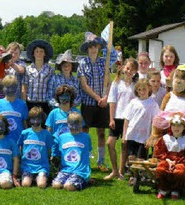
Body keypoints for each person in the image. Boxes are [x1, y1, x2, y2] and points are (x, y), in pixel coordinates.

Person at [77, 32, 109, 171]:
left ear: (99, 48)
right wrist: (98, 98)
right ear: (87, 49)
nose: (93, 49)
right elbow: (84, 85)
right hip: (88, 103)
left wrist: (106, 98)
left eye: (95, 46)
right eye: (90, 47)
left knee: (101, 132)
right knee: (85, 131)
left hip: (103, 103)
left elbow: (108, 82)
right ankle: (84, 158)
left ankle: (101, 160)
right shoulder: (82, 63)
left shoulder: (104, 62)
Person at [153, 111, 185, 199]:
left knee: (179, 172)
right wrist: (169, 161)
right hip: (166, 160)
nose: (176, 128)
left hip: (181, 161)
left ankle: (176, 190)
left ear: (184, 127)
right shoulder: (165, 139)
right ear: (170, 127)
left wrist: (176, 162)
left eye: (179, 126)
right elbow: (159, 152)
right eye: (173, 125)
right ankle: (163, 189)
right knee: (161, 169)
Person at [122, 79, 159, 184]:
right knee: (131, 157)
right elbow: (127, 119)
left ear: (149, 89)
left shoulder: (153, 104)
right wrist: (124, 134)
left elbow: (155, 121)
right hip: (132, 134)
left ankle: (140, 175)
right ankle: (132, 175)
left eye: (144, 89)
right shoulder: (133, 102)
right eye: (139, 90)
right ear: (136, 91)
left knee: (140, 158)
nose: (142, 92)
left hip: (144, 137)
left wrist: (152, 136)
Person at [104, 58, 137, 180]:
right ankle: (114, 170)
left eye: (132, 69)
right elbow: (112, 102)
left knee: (124, 145)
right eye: (127, 68)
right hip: (116, 118)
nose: (129, 71)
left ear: (135, 72)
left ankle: (121, 171)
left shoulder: (135, 86)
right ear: (123, 68)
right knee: (110, 143)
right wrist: (111, 119)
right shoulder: (116, 83)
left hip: (128, 120)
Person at [52, 112, 92, 191]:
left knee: (68, 186)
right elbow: (56, 150)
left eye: (77, 125)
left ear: (81, 124)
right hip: (66, 169)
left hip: (80, 171)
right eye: (72, 125)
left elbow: (88, 152)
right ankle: (71, 179)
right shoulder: (62, 137)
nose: (74, 128)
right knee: (56, 185)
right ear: (68, 124)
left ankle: (85, 180)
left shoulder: (86, 137)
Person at [18, 107, 53, 188]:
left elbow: (49, 150)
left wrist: (47, 159)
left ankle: (40, 177)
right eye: (33, 119)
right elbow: (20, 148)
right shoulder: (25, 133)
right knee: (25, 184)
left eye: (38, 119)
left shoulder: (46, 134)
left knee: (41, 185)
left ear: (42, 120)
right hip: (27, 166)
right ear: (29, 120)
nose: (36, 122)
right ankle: (30, 177)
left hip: (41, 166)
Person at [0, 75, 28, 144]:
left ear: (16, 88)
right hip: (0, 142)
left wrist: (25, 141)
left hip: (17, 141)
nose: (10, 90)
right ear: (3, 88)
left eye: (12, 87)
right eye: (7, 87)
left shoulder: (22, 104)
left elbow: (25, 124)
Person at [22, 39, 55, 114]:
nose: (39, 53)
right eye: (36, 51)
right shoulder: (28, 69)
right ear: (33, 54)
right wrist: (24, 103)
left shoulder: (50, 70)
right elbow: (24, 88)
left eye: (41, 51)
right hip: (30, 102)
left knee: (43, 125)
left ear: (45, 54)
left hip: (45, 103)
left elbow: (52, 88)